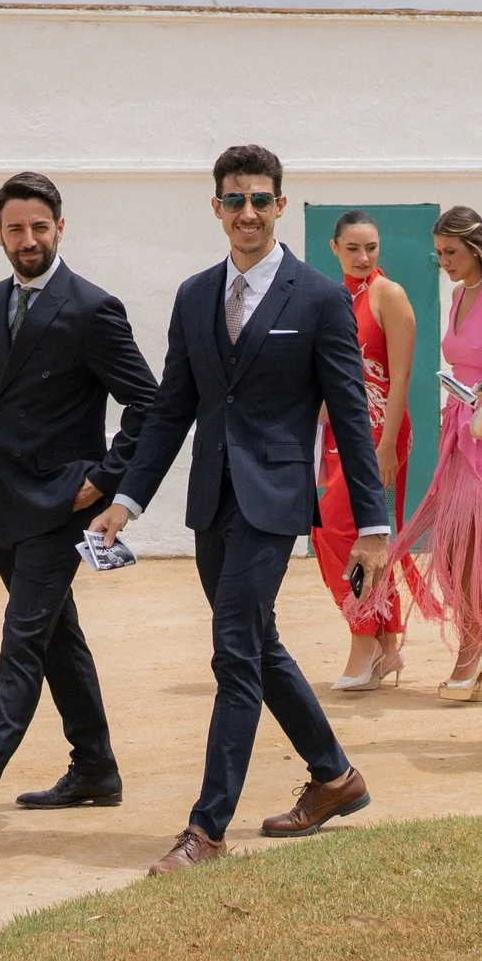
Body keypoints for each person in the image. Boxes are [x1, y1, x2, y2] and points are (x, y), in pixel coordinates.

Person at [90, 145, 393, 875]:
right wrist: (126, 498)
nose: (247, 212)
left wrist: (374, 525)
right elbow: (171, 409)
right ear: (217, 207)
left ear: (281, 205)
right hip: (211, 503)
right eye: (234, 200)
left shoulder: (318, 297)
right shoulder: (195, 295)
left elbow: (350, 417)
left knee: (233, 652)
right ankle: (334, 776)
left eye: (260, 199)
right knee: (258, 645)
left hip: (274, 501)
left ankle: (207, 828)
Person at [0, 172, 159, 844]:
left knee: (22, 639)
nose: (28, 239)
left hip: (62, 501)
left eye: (39, 227)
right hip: (6, 501)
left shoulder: (91, 308)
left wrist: (103, 478)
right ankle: (96, 768)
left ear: (60, 229)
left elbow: (148, 401)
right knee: (55, 638)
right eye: (15, 229)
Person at [353, 206, 482, 700]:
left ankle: (475, 651)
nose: (445, 262)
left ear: (476, 247)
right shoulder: (458, 295)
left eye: (451, 252)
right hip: (460, 428)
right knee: (452, 550)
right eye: (439, 254)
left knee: (477, 548)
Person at [312, 210, 418, 690]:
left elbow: (401, 379)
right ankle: (386, 644)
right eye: (352, 248)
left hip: (380, 432)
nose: (363, 257)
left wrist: (388, 447)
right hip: (338, 433)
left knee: (350, 530)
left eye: (371, 247)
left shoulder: (388, 295)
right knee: (328, 533)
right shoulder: (331, 296)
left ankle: (364, 641)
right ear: (334, 248)